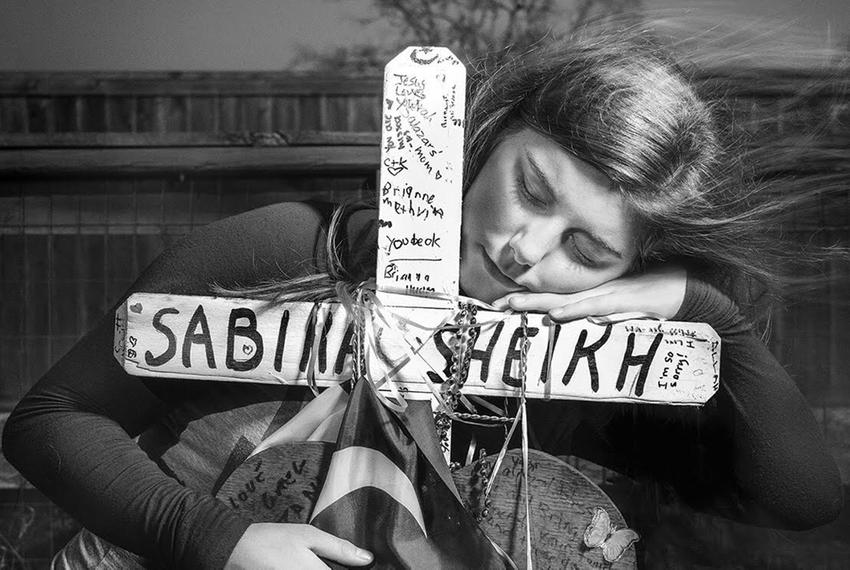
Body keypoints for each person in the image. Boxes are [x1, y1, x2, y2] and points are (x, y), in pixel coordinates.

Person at [3, 22, 845, 570]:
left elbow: (803, 501)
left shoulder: (623, 365)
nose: (525, 249)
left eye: (585, 248)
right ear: (489, 134)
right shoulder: (292, 246)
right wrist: (216, 539)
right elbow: (50, 418)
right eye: (533, 188)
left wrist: (713, 318)